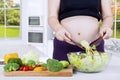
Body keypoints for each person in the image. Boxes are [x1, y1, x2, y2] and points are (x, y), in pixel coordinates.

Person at [48, 0, 113, 61]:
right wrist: (58, 29)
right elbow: (52, 17)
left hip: (94, 46)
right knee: (64, 72)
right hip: (66, 45)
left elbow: (107, 16)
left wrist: (106, 27)